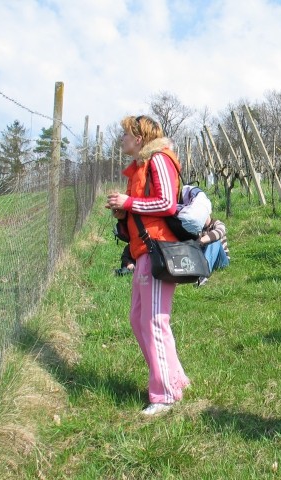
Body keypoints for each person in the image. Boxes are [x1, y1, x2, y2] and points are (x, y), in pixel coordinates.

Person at [106, 115, 190, 416]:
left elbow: (166, 203)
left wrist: (128, 203)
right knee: (139, 318)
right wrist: (122, 213)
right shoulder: (140, 166)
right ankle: (174, 378)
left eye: (126, 134)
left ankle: (165, 394)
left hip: (158, 250)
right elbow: (145, 206)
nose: (123, 139)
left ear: (140, 138)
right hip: (144, 250)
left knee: (154, 321)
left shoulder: (158, 160)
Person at [195, 216, 230, 287]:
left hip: (220, 261)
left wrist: (200, 241)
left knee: (214, 240)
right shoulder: (196, 228)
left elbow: (219, 232)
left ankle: (203, 274)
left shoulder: (218, 224)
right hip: (201, 259)